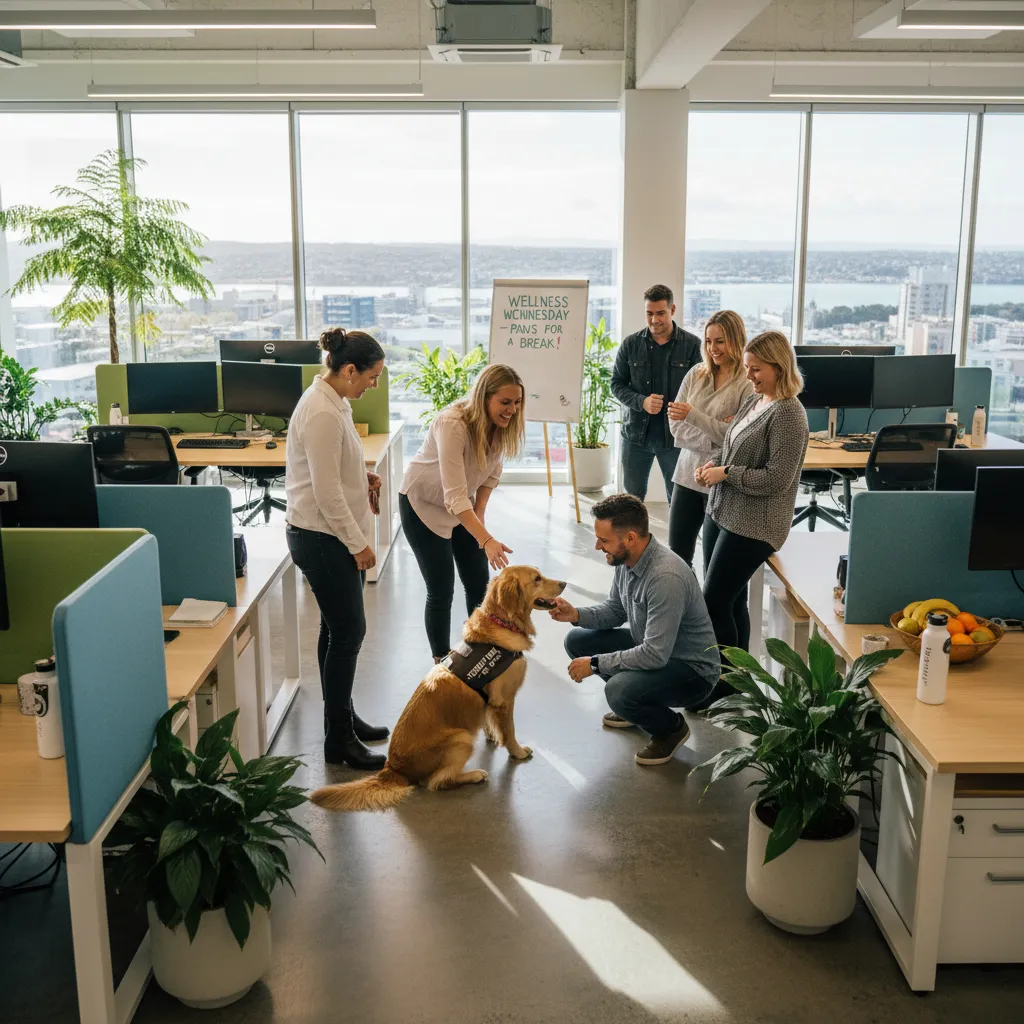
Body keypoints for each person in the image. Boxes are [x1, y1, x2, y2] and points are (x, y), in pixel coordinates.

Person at [548, 494, 721, 767]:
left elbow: (654, 655)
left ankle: (670, 729)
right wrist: (576, 614)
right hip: (656, 648)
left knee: (618, 691)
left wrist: (595, 664)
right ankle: (636, 706)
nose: (597, 546)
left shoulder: (665, 577)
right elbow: (616, 610)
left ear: (629, 538)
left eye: (603, 540)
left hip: (691, 671)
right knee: (577, 640)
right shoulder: (626, 560)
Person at [285, 328, 389, 770]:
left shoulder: (335, 402)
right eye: (372, 376)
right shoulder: (321, 412)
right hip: (321, 537)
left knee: (335, 630)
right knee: (349, 633)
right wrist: (359, 544)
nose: (374, 385)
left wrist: (361, 475)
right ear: (349, 370)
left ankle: (342, 717)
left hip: (326, 533)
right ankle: (339, 740)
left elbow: (329, 468)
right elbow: (326, 494)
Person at [400, 363, 526, 661]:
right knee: (441, 589)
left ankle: (481, 650)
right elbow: (454, 496)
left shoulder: (501, 426)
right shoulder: (452, 424)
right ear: (484, 398)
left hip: (461, 507)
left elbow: (490, 475)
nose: (512, 410)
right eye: (505, 402)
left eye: (517, 402)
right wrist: (486, 540)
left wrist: (480, 523)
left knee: (479, 583)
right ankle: (441, 662)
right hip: (422, 505)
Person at [696, 330, 809, 655]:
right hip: (723, 511)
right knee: (731, 601)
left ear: (779, 367)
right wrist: (714, 464)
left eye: (756, 369)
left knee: (714, 601)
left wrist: (726, 473)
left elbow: (777, 479)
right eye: (747, 367)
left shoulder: (788, 413)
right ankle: (738, 677)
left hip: (756, 524)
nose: (749, 376)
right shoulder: (755, 400)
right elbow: (733, 445)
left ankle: (723, 680)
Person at [667, 310, 753, 567]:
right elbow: (676, 428)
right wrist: (719, 431)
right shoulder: (696, 373)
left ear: (735, 340)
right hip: (686, 475)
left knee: (715, 563)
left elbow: (741, 437)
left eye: (720, 341)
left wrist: (693, 416)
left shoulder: (747, 382)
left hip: (722, 480)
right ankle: (688, 595)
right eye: (708, 341)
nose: (713, 348)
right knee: (678, 557)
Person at [612, 283, 702, 502]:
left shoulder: (692, 345)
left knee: (679, 500)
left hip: (676, 439)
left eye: (660, 313)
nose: (654, 320)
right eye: (649, 313)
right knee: (631, 502)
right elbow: (616, 384)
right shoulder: (630, 344)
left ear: (673, 310)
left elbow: (702, 389)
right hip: (635, 437)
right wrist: (641, 401)